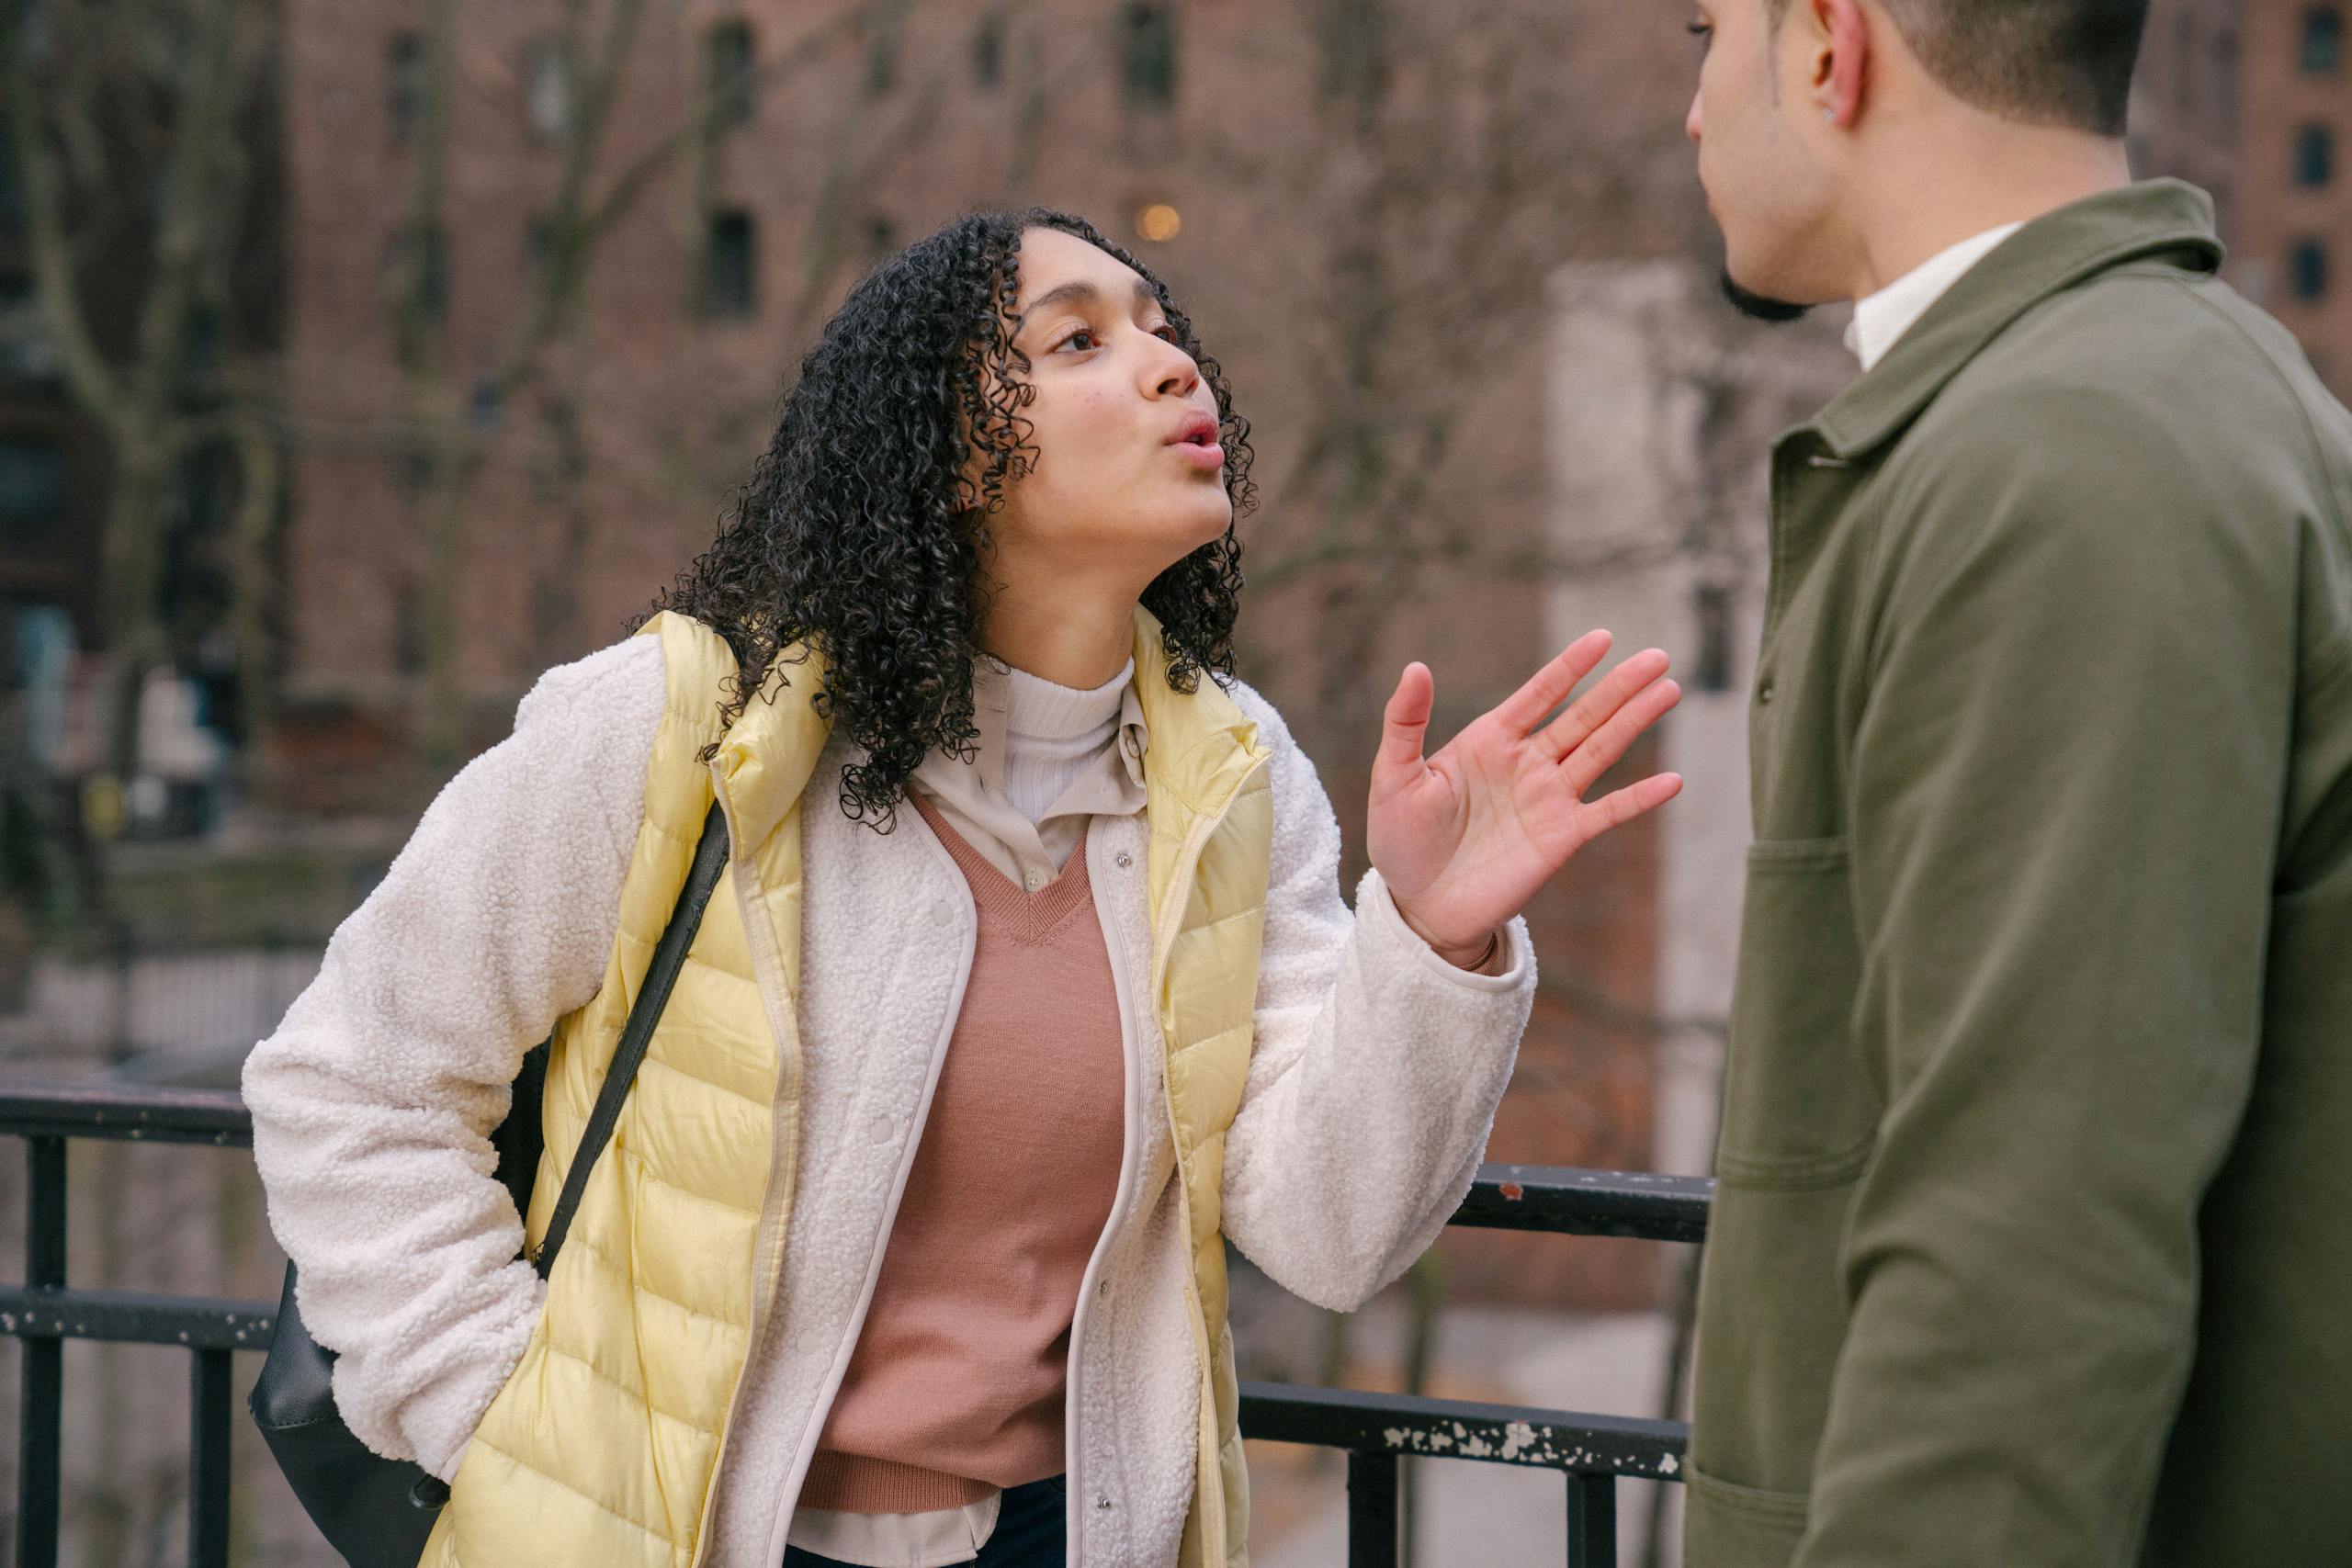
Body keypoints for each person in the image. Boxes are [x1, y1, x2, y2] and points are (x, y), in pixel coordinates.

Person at [242, 208, 1684, 1568]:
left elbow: (1328, 1228)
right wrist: (519, 1428)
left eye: (1160, 324)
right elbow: (354, 1085)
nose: (1172, 358)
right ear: (947, 458)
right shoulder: (687, 725)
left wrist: (1435, 932)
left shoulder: (1235, 781)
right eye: (1079, 341)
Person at [1679, 2, 2352, 1565]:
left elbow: (2022, 1263)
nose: (1695, 107)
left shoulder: (2072, 459)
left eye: (1710, 32)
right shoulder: (2133, 407)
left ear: (1830, 48)